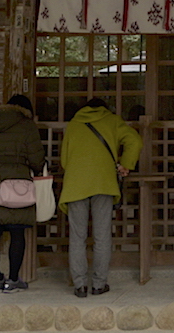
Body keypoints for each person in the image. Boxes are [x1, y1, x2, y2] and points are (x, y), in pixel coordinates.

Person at [60, 97, 141, 297]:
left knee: (77, 238)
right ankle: (98, 284)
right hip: (103, 183)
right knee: (102, 236)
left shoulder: (74, 124)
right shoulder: (112, 121)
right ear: (105, 109)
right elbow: (134, 140)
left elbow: (64, 159)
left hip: (76, 184)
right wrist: (126, 164)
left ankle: (79, 285)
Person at [0, 93, 46, 293]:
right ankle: (13, 279)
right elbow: (36, 159)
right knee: (17, 232)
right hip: (19, 183)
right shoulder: (27, 125)